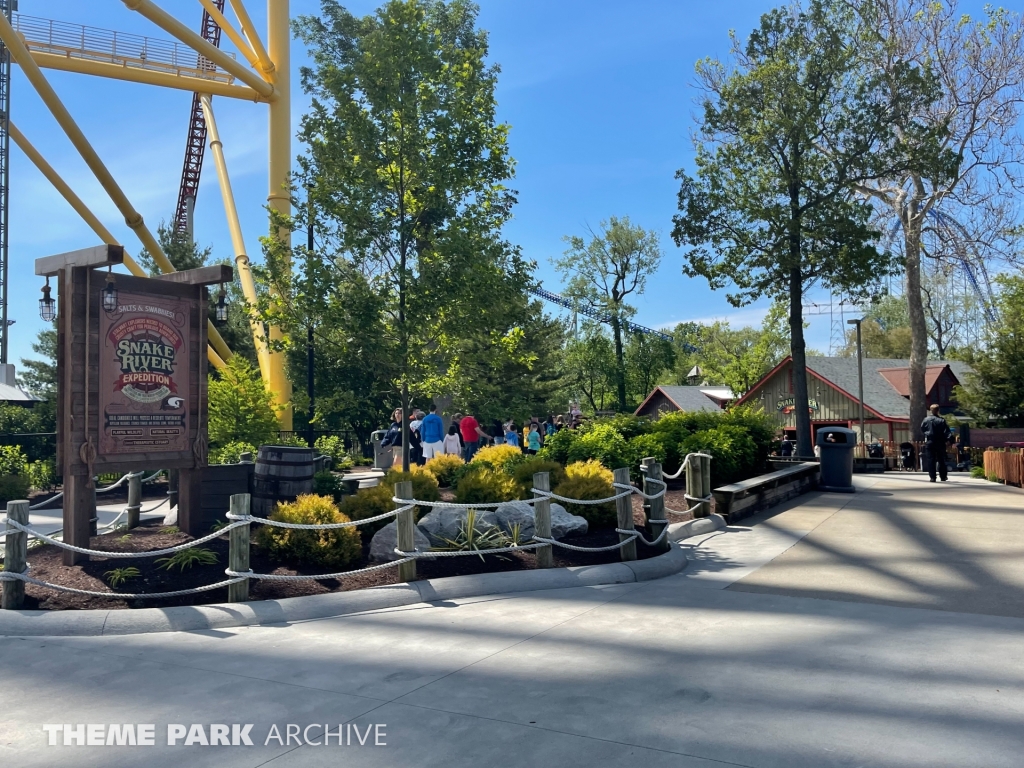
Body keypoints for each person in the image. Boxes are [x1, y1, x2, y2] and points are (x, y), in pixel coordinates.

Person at [921, 403, 953, 482]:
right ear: (938, 410)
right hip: (940, 441)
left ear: (931, 410)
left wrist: (927, 434)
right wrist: (948, 440)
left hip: (930, 441)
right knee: (941, 459)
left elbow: (922, 429)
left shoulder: (926, 420)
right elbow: (947, 431)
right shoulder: (941, 420)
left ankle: (932, 477)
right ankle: (943, 476)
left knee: (930, 459)